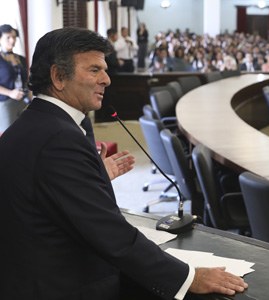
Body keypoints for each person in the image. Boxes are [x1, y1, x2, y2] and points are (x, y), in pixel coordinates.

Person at [0, 27, 247, 299]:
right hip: (61, 285)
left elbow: (53, 199)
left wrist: (94, 177)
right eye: (94, 70)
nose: (106, 79)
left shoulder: (34, 123)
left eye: (105, 69)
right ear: (58, 76)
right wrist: (189, 277)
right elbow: (109, 234)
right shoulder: (58, 139)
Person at [0, 24, 28, 132]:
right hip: (6, 103)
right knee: (8, 135)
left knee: (24, 132)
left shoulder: (21, 58)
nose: (12, 40)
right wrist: (10, 93)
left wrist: (29, 90)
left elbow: (25, 78)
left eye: (14, 37)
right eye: (8, 37)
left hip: (23, 100)